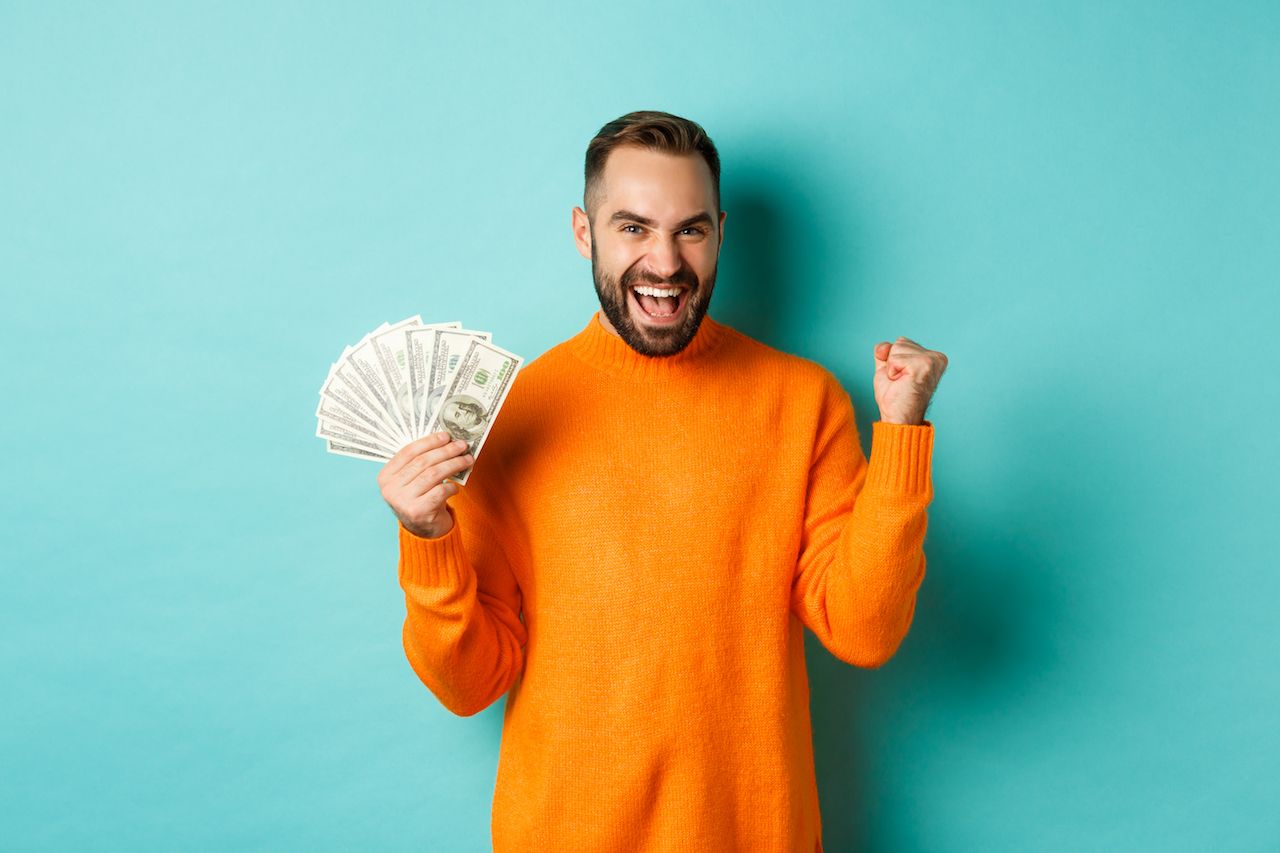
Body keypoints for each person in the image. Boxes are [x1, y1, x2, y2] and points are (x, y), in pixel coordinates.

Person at [378, 110, 949, 853]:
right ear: (584, 233)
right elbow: (468, 683)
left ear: (720, 234)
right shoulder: (508, 413)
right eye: (633, 228)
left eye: (690, 230)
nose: (666, 263)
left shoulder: (803, 401)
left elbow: (864, 631)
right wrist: (428, 537)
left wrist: (902, 433)